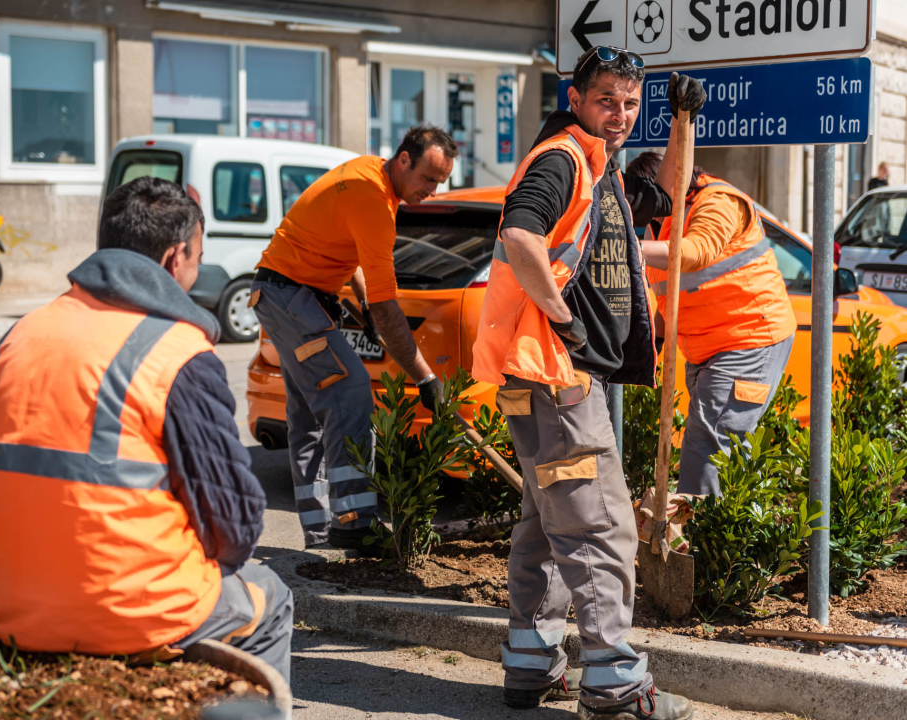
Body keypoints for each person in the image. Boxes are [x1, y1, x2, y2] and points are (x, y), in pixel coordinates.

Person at [0, 177, 292, 682]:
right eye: (197, 257)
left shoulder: (17, 337)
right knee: (270, 597)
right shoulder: (175, 352)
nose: (196, 270)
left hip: (5, 606)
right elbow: (235, 526)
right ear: (173, 257)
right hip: (133, 610)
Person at [472, 46, 706, 720]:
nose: (619, 114)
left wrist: (681, 119)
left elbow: (668, 194)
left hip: (544, 377)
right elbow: (520, 236)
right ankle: (615, 686)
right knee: (600, 527)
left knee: (546, 523)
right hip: (555, 376)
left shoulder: (603, 170)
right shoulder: (561, 160)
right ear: (573, 99)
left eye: (629, 103)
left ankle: (529, 663)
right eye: (606, 100)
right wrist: (563, 318)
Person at [251, 125, 458, 550]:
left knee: (309, 416)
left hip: (283, 294)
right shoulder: (374, 202)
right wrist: (425, 379)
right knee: (349, 390)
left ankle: (320, 532)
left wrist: (362, 301)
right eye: (429, 179)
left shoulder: (367, 173)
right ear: (404, 160)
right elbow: (388, 308)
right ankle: (352, 521)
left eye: (440, 182)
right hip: (292, 295)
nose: (433, 191)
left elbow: (352, 255)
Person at [627, 152, 797, 497]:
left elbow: (695, 252)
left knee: (707, 445)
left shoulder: (718, 201)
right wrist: (649, 349)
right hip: (706, 347)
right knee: (722, 446)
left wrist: (628, 246)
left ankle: (701, 539)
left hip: (749, 338)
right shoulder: (662, 221)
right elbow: (669, 298)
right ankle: (731, 532)